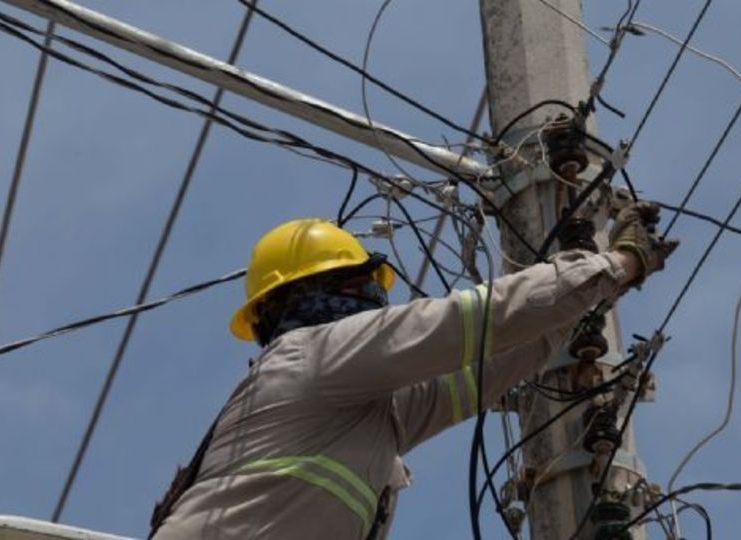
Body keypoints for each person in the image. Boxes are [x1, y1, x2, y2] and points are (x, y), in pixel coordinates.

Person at [150, 201, 677, 539]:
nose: (375, 304)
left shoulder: (361, 410)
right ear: (312, 294)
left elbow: (490, 363)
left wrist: (582, 299)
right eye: (362, 289)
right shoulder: (313, 355)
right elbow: (471, 321)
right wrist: (615, 263)